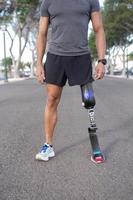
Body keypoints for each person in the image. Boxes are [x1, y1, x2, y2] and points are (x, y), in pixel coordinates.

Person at [35, 0, 106, 162]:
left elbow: (98, 29)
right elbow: (42, 33)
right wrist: (39, 62)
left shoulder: (90, 1)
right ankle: (48, 145)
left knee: (89, 100)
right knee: (52, 99)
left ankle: (95, 145)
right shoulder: (48, 2)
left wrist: (102, 60)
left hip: (81, 56)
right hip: (55, 56)